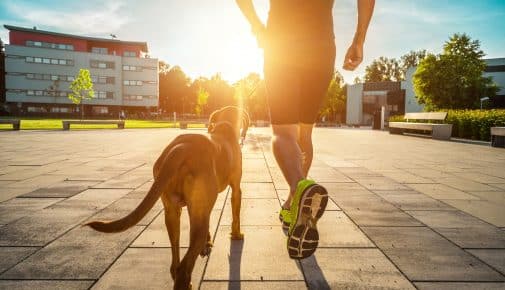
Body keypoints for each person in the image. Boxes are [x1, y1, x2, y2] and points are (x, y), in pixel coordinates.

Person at [236, 0, 375, 259]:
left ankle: (300, 188)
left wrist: (256, 25)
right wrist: (359, 39)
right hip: (321, 47)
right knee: (305, 134)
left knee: (283, 133)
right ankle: (292, 205)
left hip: (281, 42)